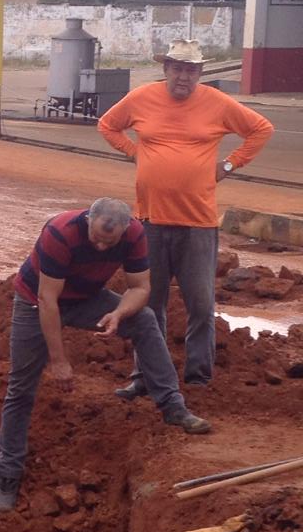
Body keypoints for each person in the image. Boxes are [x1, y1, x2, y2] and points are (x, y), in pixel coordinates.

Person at [0, 197, 211, 514]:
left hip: (87, 297)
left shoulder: (136, 234)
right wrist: (59, 360)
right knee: (21, 388)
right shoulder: (60, 232)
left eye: (108, 242)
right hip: (35, 301)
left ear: (125, 230)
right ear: (88, 220)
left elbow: (139, 288)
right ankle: (8, 476)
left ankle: (173, 407)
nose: (99, 246)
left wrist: (119, 314)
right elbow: (48, 299)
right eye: (96, 237)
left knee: (145, 321)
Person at [98, 39, 274, 399]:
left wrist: (229, 165)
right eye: (177, 68)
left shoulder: (217, 103)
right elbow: (107, 125)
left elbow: (261, 129)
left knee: (200, 305)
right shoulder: (142, 97)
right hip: (149, 222)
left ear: (200, 73)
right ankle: (146, 377)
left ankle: (198, 380)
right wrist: (135, 153)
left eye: (191, 69)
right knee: (148, 304)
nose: (184, 76)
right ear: (166, 69)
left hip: (198, 224)